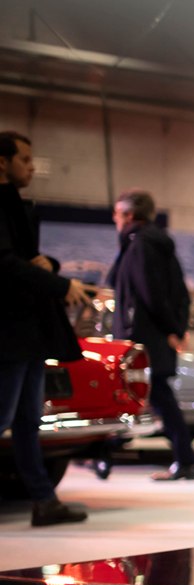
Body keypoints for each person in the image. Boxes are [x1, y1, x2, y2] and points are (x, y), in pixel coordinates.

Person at [0, 130, 93, 525]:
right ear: (2, 162)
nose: (32, 167)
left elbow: (25, 260)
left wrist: (50, 266)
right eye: (24, 159)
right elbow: (5, 263)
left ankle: (44, 501)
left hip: (27, 331)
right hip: (9, 331)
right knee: (5, 417)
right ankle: (44, 500)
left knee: (26, 421)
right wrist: (59, 284)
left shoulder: (17, 206)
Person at [108, 188, 194, 481]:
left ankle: (184, 460)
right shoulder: (151, 244)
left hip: (143, 338)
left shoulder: (141, 245)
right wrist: (175, 328)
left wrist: (172, 329)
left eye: (117, 213)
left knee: (156, 396)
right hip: (151, 336)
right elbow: (174, 291)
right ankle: (183, 460)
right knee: (154, 396)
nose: (114, 219)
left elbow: (151, 293)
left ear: (129, 215)